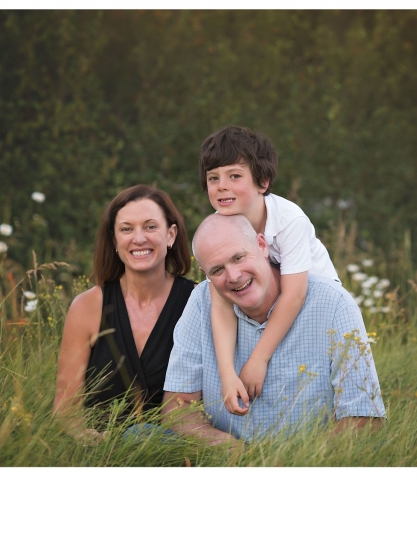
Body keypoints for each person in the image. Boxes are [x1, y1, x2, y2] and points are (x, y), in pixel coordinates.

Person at [161, 214, 385, 444]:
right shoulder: (201, 304)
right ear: (206, 274)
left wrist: (297, 460)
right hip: (226, 459)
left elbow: (365, 419)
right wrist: (224, 447)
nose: (234, 276)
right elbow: (176, 406)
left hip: (310, 458)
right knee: (141, 435)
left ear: (261, 245)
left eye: (238, 258)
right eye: (217, 270)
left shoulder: (334, 303)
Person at [198, 125, 340, 416]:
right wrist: (227, 374)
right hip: (270, 305)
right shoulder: (219, 225)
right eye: (213, 178)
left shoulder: (290, 220)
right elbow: (221, 306)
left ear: (262, 182)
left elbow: (295, 295)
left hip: (316, 308)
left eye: (234, 176)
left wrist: (258, 360)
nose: (221, 186)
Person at [53, 184, 194, 440]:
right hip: (100, 451)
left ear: (171, 235)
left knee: (141, 435)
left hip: (179, 450)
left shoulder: (197, 302)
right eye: (126, 229)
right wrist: (91, 441)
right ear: (115, 241)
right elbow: (65, 408)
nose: (138, 238)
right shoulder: (87, 307)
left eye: (150, 227)